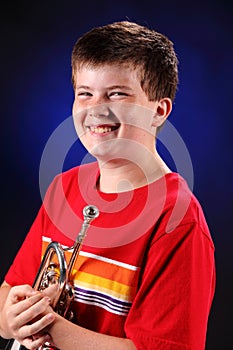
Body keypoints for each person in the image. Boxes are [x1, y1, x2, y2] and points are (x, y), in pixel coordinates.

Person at [0, 21, 215, 350]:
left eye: (116, 94)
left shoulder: (178, 219)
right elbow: (9, 292)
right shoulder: (64, 187)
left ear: (158, 111)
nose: (96, 108)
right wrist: (11, 316)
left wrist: (46, 327)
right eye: (84, 93)